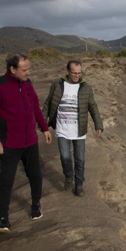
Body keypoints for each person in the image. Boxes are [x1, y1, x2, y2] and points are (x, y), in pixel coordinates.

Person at [0, 53, 52, 232]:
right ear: (12, 69)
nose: (28, 72)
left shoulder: (28, 84)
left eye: (29, 68)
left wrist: (44, 129)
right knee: (6, 181)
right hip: (9, 144)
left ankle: (36, 204)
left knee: (36, 176)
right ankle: (3, 219)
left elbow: (35, 107)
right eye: (24, 69)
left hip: (30, 141)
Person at [42, 60, 104, 197]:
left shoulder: (85, 87)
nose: (77, 75)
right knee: (65, 157)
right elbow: (48, 103)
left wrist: (98, 124)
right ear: (68, 72)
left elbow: (92, 106)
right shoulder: (57, 84)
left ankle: (79, 184)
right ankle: (69, 176)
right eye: (74, 73)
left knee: (80, 159)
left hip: (79, 130)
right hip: (62, 128)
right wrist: (42, 123)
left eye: (79, 73)